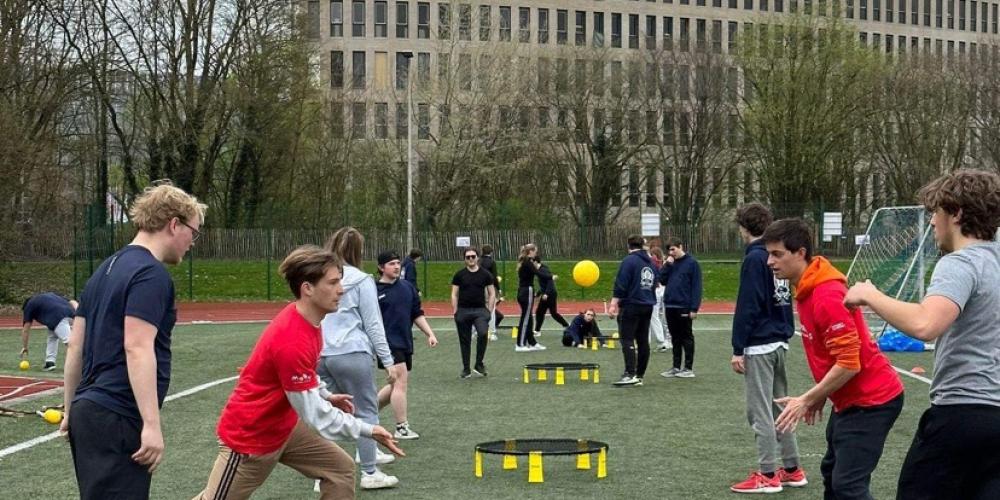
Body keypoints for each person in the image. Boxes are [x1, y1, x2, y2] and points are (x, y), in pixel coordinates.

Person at [194, 245, 403, 499]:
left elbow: (305, 374)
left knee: (340, 469)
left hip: (284, 428)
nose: (342, 289)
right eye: (334, 282)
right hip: (250, 439)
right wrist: (368, 429)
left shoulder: (311, 321)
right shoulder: (292, 338)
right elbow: (317, 416)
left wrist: (325, 394)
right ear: (308, 288)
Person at [844, 169, 1000, 500]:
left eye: (936, 212)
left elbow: (926, 324)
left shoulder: (960, 263)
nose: (931, 222)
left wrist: (870, 294)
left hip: (961, 416)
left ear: (956, 214)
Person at [62, 182, 205, 499]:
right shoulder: (150, 274)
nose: (192, 242)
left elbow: (75, 345)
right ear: (173, 224)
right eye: (193, 232)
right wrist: (152, 424)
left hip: (89, 412)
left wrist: (71, 410)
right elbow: (137, 346)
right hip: (117, 414)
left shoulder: (103, 270)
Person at [764, 218, 904, 499]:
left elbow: (850, 362)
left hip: (873, 401)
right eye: (769, 253)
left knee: (848, 487)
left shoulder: (826, 294)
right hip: (849, 400)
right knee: (832, 474)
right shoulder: (807, 289)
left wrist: (806, 398)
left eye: (777, 254)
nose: (769, 261)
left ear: (800, 253)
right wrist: (821, 396)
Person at [318, 227, 405, 490]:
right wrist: (388, 361)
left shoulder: (320, 277)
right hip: (352, 352)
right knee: (366, 411)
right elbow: (373, 324)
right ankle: (369, 471)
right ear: (358, 250)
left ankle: (321, 475)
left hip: (321, 353)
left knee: (326, 414)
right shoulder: (361, 279)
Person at [729, 203, 805, 494]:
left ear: (742, 228)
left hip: (760, 344)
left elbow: (749, 304)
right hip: (779, 341)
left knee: (759, 411)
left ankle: (768, 473)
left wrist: (738, 347)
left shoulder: (754, 259)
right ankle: (792, 468)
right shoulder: (777, 256)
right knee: (780, 408)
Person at [374, 250, 439, 441]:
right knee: (401, 382)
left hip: (404, 341)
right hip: (387, 344)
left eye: (397, 263)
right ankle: (401, 427)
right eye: (391, 264)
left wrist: (430, 333)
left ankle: (366, 413)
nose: (396, 267)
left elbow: (416, 314)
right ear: (381, 268)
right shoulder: (373, 291)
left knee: (396, 383)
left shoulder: (407, 287)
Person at [608, 234, 657, 386]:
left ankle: (630, 373)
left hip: (631, 304)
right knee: (643, 340)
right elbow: (656, 280)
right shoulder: (650, 262)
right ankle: (640, 375)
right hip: (647, 304)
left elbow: (621, 284)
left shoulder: (628, 261)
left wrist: (613, 303)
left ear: (628, 245)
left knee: (627, 338)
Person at [659, 237, 702, 378]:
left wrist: (694, 308)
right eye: (669, 250)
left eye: (673, 249)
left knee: (686, 337)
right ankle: (676, 367)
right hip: (670, 305)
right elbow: (662, 280)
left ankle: (688, 368)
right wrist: (667, 265)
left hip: (684, 306)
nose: (672, 253)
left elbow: (697, 287)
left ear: (680, 246)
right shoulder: (670, 264)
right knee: (675, 338)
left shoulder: (692, 263)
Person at [450, 246, 496, 378]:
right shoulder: (459, 275)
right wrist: (455, 311)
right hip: (463, 311)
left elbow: (492, 293)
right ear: (464, 259)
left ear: (477, 258)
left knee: (482, 333)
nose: (470, 259)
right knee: (465, 340)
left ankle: (479, 364)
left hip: (480, 310)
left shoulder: (486, 274)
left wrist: (489, 310)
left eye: (473, 256)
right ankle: (466, 368)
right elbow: (454, 294)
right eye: (467, 257)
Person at [20, 292, 78, 371]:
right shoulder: (50, 295)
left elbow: (26, 329)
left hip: (57, 317)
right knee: (52, 337)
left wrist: (25, 347)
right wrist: (78, 311)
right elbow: (72, 301)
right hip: (71, 314)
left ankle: (85, 363)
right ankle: (50, 362)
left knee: (71, 343)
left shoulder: (29, 306)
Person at [514, 243, 544, 352]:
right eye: (535, 251)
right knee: (525, 318)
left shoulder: (526, 262)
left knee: (529, 317)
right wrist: (551, 276)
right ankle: (520, 344)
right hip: (527, 291)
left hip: (523, 291)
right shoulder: (528, 263)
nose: (536, 253)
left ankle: (532, 342)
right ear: (530, 252)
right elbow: (539, 273)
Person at [533, 255, 569, 334]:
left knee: (553, 313)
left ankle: (567, 326)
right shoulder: (539, 270)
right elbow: (543, 284)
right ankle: (537, 330)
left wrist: (546, 294)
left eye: (531, 262)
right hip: (546, 294)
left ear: (535, 262)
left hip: (550, 294)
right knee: (540, 312)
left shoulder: (543, 270)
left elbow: (550, 282)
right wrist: (538, 294)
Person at [647, 246, 671, 352]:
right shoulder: (664, 263)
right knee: (657, 316)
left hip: (658, 291)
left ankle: (661, 340)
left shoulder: (655, 263)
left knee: (653, 316)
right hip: (661, 291)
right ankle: (663, 340)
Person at [479, 244, 504, 340]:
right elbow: (494, 276)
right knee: (492, 309)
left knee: (479, 309)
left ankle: (477, 331)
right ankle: (492, 332)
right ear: (491, 252)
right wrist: (499, 288)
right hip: (489, 288)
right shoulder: (491, 262)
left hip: (478, 288)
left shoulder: (478, 261)